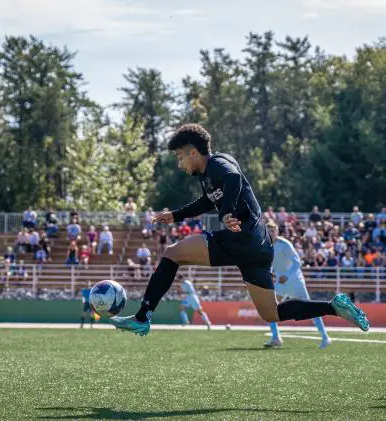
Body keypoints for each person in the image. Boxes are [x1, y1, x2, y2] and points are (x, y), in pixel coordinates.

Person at [105, 123, 369, 336]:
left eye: (180, 157)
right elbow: (208, 200)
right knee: (271, 314)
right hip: (258, 247)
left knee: (173, 253)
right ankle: (334, 307)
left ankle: (142, 317)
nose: (179, 164)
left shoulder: (218, 164)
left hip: (241, 239)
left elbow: (233, 178)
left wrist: (228, 211)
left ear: (193, 152)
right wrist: (175, 215)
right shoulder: (209, 176)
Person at [264, 220, 331, 349]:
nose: (271, 233)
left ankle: (325, 337)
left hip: (295, 282)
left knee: (310, 309)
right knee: (269, 309)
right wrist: (271, 273)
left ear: (277, 231)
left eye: (273, 231)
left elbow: (297, 262)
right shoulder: (266, 246)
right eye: (268, 231)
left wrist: (287, 276)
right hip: (281, 283)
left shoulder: (285, 244)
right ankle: (276, 337)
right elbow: (273, 263)